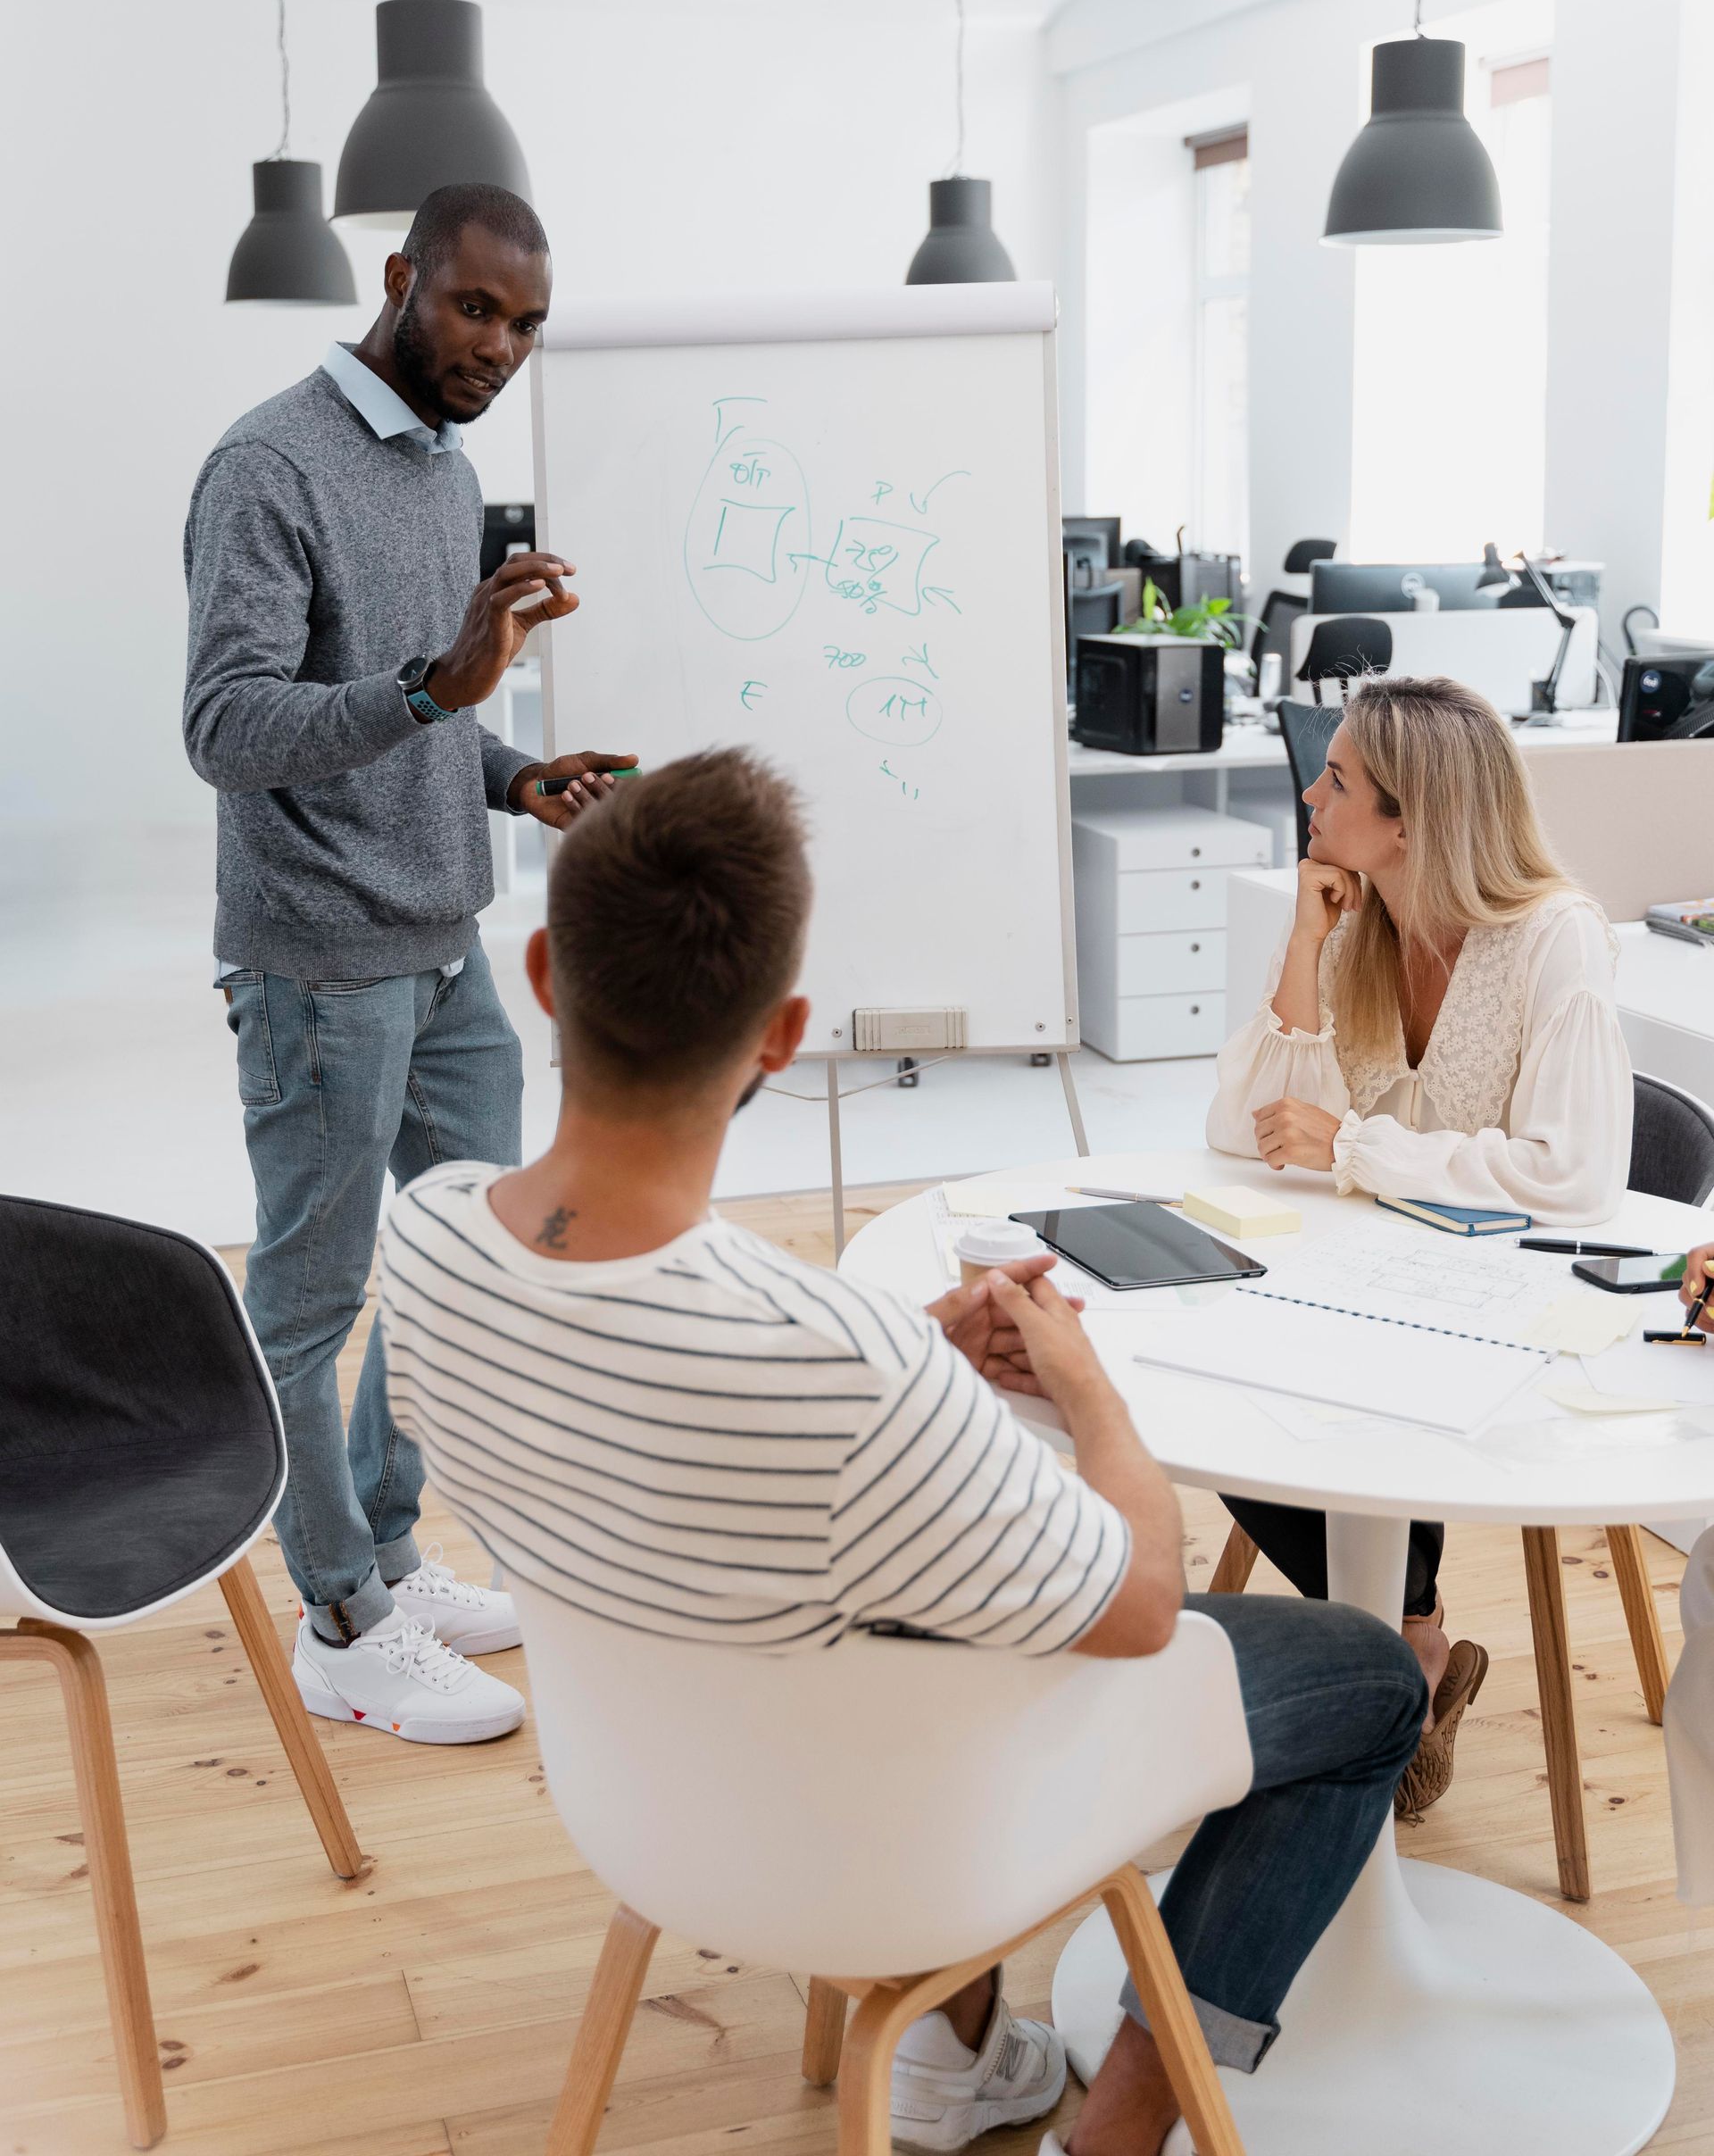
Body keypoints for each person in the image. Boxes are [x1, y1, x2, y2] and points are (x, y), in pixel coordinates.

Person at [377, 747, 1425, 2156]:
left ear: (549, 974)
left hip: (648, 1805)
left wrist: (911, 1365)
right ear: (782, 1033)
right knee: (1364, 1675)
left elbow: (666, 1426)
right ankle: (1113, 2128)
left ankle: (958, 2052)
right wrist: (1088, 1389)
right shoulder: (833, 1363)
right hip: (896, 1838)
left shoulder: (431, 1235)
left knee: (912, 1585)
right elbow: (1138, 1610)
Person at [183, 181, 635, 1748]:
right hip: (320, 966)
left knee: (465, 1272)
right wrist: (438, 689)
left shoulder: (448, 469)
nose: (497, 348)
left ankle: (387, 1546)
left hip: (449, 949)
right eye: (474, 309)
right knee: (309, 1307)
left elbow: (424, 709)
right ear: (401, 279)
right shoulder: (268, 465)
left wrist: (512, 770)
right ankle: (339, 1618)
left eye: (524, 327)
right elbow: (227, 728)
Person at [1208, 674, 1631, 1810]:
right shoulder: (1360, 924)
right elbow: (1243, 1133)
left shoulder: (1556, 941)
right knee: (1219, 1405)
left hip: (1520, 1307)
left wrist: (1355, 1146)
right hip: (1389, 1279)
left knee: (1339, 1401)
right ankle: (1414, 1643)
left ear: (1412, 820)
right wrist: (1304, 938)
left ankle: (1388, 1667)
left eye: (1336, 778)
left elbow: (1574, 1179)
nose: (1309, 789)